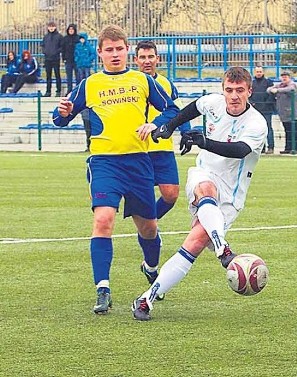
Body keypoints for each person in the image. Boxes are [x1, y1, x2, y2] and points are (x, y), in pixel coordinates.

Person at [51, 24, 180, 314]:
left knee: (149, 229)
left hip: (138, 162)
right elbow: (62, 117)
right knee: (103, 221)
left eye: (119, 48)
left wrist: (156, 124)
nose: (114, 54)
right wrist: (60, 113)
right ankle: (103, 289)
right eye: (109, 49)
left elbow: (172, 110)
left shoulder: (141, 81)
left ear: (126, 51)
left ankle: (150, 267)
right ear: (100, 54)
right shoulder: (90, 84)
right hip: (105, 163)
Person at [131, 66, 268, 321]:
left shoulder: (256, 123)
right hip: (204, 174)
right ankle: (222, 248)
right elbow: (193, 107)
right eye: (229, 90)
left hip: (231, 195)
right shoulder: (214, 103)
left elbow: (239, 150)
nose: (234, 96)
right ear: (222, 90)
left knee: (193, 244)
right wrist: (170, 127)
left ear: (249, 91)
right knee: (206, 190)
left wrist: (203, 141)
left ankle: (146, 297)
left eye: (240, 90)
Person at [134, 40, 190, 224]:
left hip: (163, 147)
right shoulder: (130, 83)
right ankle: (149, 231)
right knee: (142, 195)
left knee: (171, 194)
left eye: (151, 57)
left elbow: (179, 111)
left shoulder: (166, 83)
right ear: (136, 60)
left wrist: (185, 132)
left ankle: (149, 225)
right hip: (138, 149)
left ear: (157, 59)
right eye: (143, 57)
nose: (147, 61)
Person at [268, 70, 297, 154]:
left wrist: (277, 90)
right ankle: (288, 148)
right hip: (283, 114)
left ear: (289, 77)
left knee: (295, 131)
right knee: (287, 132)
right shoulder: (280, 85)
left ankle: (296, 148)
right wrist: (274, 89)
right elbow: (269, 89)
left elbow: (291, 89)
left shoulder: (292, 85)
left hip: (292, 114)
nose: (284, 78)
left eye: (286, 76)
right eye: (283, 77)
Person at [249, 64, 275, 153]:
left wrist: (266, 104)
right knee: (257, 129)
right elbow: (249, 95)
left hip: (267, 110)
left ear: (263, 72)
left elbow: (272, 95)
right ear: (254, 72)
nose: (259, 73)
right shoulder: (251, 83)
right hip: (255, 110)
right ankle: (261, 147)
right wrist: (252, 103)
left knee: (268, 128)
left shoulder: (269, 82)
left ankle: (271, 147)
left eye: (260, 71)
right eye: (257, 72)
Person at [41, 21, 63, 97]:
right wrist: (45, 52)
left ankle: (58, 91)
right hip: (47, 59)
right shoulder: (46, 36)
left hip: (56, 58)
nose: (51, 28)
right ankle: (48, 91)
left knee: (57, 75)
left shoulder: (59, 36)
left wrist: (56, 52)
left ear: (55, 27)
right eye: (50, 26)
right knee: (48, 76)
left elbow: (61, 47)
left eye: (52, 26)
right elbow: (43, 45)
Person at [61, 23, 79, 95]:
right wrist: (63, 58)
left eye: (72, 29)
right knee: (69, 76)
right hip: (68, 60)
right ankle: (69, 90)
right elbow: (63, 49)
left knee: (78, 75)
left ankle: (78, 90)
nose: (71, 31)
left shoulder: (78, 38)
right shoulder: (65, 38)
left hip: (76, 60)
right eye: (69, 29)